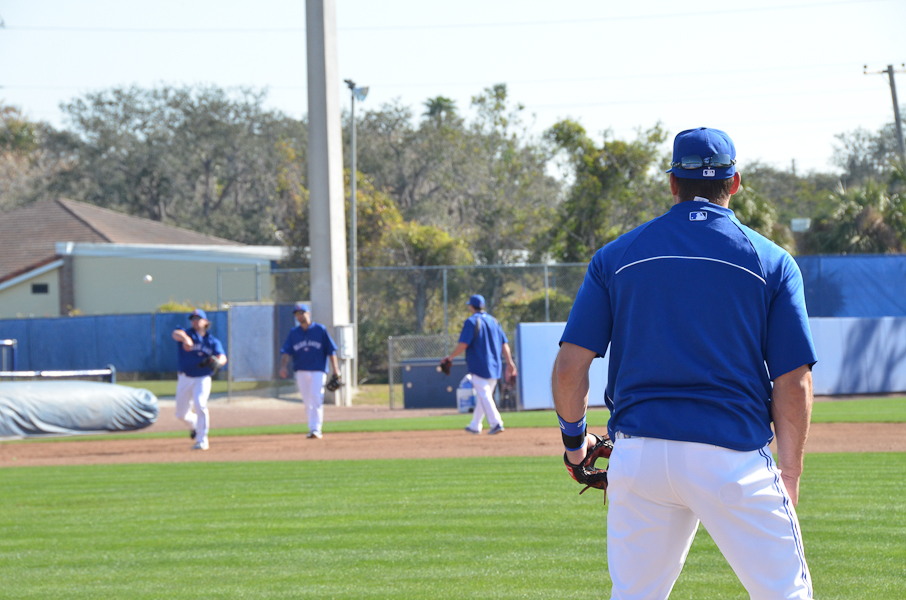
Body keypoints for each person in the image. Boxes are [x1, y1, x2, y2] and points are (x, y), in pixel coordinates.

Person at [552, 127, 817, 600]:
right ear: (735, 183)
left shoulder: (617, 255)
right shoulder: (771, 260)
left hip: (639, 460)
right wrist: (790, 474)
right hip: (731, 458)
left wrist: (576, 444)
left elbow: (571, 367)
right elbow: (793, 381)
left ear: (673, 183)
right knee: (786, 595)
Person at [443, 294, 517, 435]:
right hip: (495, 366)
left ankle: (496, 423)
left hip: (478, 365)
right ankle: (475, 425)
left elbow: (463, 344)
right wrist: (510, 362)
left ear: (471, 306)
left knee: (484, 395)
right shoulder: (494, 321)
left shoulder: (471, 322)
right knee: (485, 395)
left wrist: (451, 357)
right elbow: (504, 344)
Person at [279, 303, 341, 439]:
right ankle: (311, 427)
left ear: (308, 313)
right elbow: (286, 352)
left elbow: (331, 351)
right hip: (301, 370)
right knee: (307, 401)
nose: (300, 316)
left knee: (316, 397)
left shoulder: (320, 330)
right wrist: (283, 366)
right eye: (297, 314)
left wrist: (336, 370)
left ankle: (316, 429)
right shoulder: (294, 333)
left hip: (318, 370)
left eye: (302, 313)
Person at [171, 308, 227, 451]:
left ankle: (202, 440)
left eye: (198, 318)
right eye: (193, 319)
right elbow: (175, 333)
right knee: (181, 414)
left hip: (202, 378)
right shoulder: (186, 333)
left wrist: (219, 362)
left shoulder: (212, 341)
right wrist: (185, 339)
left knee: (200, 404)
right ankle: (195, 423)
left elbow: (222, 356)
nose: (195, 321)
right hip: (184, 378)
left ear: (205, 322)